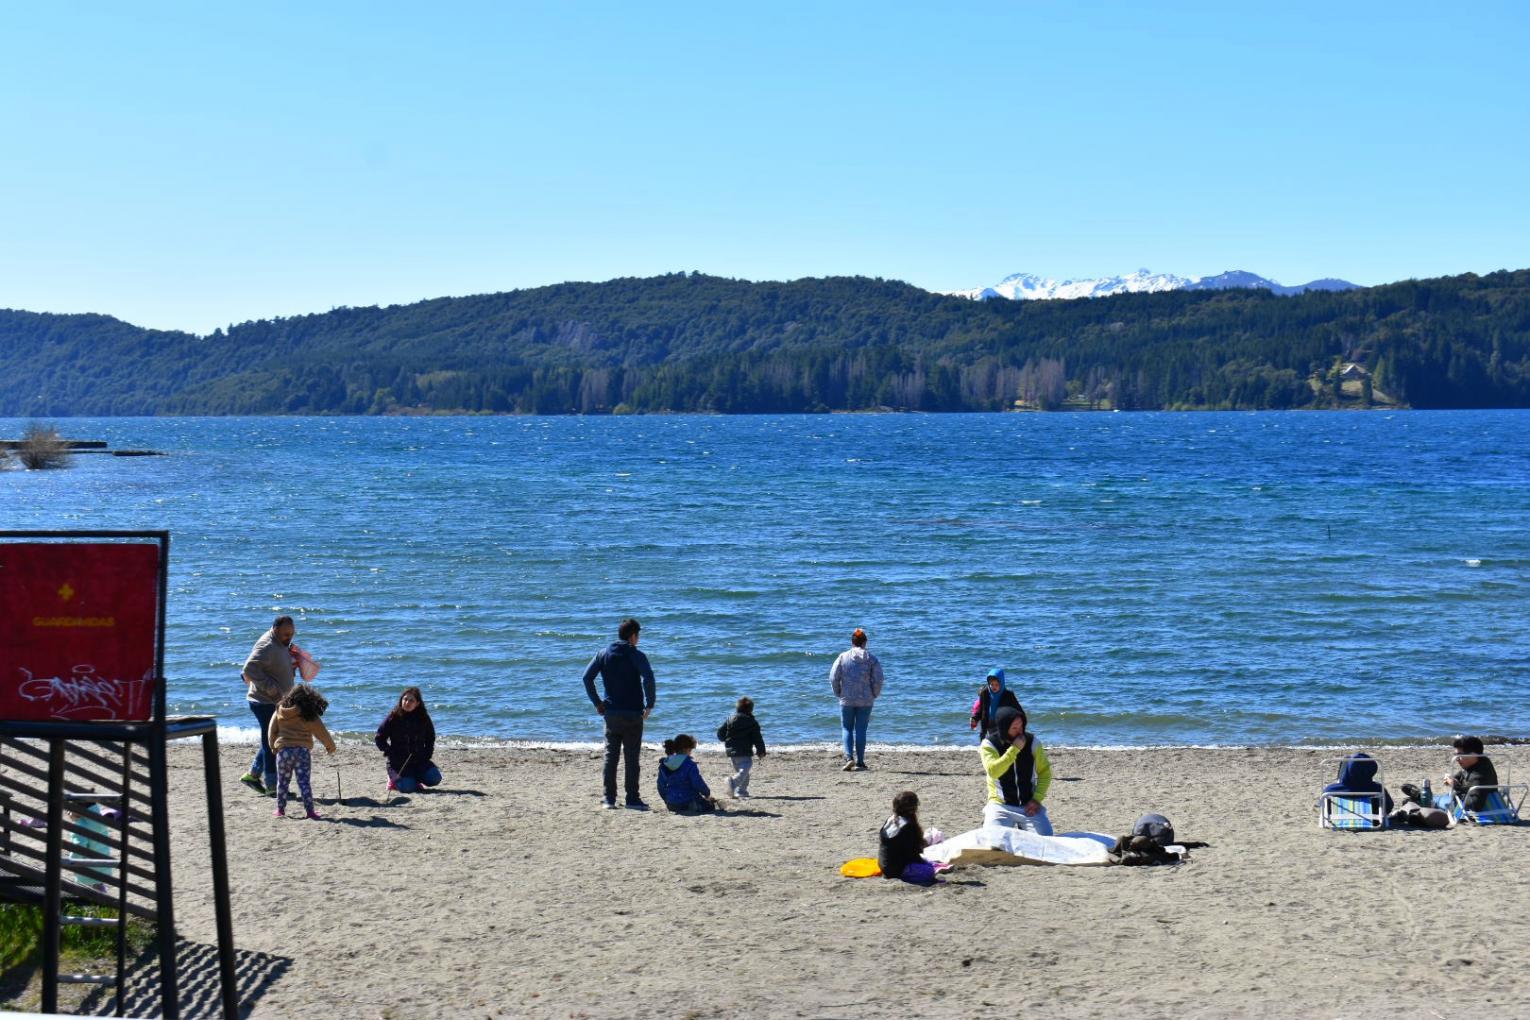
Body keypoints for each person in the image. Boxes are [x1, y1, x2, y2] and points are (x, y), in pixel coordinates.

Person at [582, 618, 657, 810]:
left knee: (611, 757)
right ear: (633, 636)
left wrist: (597, 703)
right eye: (638, 635)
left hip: (612, 713)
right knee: (632, 758)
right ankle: (632, 799)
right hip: (633, 713)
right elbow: (648, 678)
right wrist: (650, 704)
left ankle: (609, 799)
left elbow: (587, 678)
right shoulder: (637, 655)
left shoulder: (603, 654)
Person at [239, 615, 300, 795]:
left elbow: (272, 664)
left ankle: (252, 775)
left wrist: (292, 665)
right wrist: (272, 689)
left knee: (271, 740)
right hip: (263, 701)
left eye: (291, 634)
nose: (288, 637)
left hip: (275, 700)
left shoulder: (279, 643)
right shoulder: (267, 645)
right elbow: (248, 669)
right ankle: (273, 786)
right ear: (275, 629)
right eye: (285, 634)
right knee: (272, 741)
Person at [980, 705, 1054, 835]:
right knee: (992, 841)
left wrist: (1037, 799)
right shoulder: (989, 745)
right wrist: (1014, 749)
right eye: (1014, 728)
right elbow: (993, 771)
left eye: (1021, 726)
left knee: (1046, 838)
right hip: (1000, 805)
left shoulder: (1032, 742)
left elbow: (1045, 772)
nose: (1019, 732)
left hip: (1028, 805)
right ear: (1004, 728)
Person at [268, 684, 336, 819]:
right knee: (304, 782)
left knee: (282, 782)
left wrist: (272, 746)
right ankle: (310, 811)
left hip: (283, 752)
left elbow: (272, 730)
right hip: (302, 752)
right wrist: (330, 747)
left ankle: (280, 810)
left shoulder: (280, 710)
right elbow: (321, 732)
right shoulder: (308, 713)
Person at [829, 627, 883, 771]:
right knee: (861, 729)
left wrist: (838, 692)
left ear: (852, 642)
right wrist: (874, 694)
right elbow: (878, 679)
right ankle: (860, 762)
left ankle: (849, 758)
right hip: (866, 700)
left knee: (846, 727)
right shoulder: (872, 659)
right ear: (865, 642)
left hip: (847, 698)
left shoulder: (843, 657)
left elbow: (834, 677)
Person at [375, 686, 442, 793]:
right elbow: (379, 738)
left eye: (411, 700)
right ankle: (393, 780)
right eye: (405, 699)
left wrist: (428, 754)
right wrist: (390, 753)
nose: (407, 702)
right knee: (408, 788)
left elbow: (430, 737)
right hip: (399, 763)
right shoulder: (393, 717)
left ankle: (414, 779)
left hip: (419, 761)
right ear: (401, 700)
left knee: (435, 778)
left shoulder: (423, 717)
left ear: (417, 703)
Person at [877, 791, 947, 885]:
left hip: (883, 865)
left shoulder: (891, 819)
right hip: (897, 870)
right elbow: (912, 855)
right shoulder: (908, 826)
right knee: (929, 870)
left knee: (928, 864)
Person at [716, 696, 767, 799]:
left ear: (737, 708)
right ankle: (733, 782)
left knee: (743, 773)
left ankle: (742, 791)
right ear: (751, 709)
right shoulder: (752, 722)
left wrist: (724, 739)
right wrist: (761, 751)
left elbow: (720, 732)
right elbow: (757, 738)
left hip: (731, 752)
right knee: (745, 768)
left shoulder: (730, 719)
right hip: (744, 751)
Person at [656, 735, 716, 814]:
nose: (691, 752)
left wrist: (667, 799)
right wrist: (707, 792)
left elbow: (660, 785)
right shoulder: (690, 764)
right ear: (687, 749)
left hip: (671, 803)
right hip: (688, 801)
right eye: (691, 749)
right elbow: (697, 782)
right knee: (711, 805)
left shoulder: (665, 763)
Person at [1443, 734, 1499, 812]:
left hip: (1479, 809)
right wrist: (1452, 779)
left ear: (1473, 755)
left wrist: (1456, 787)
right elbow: (1463, 773)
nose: (1457, 759)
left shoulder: (1479, 775)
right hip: (1471, 793)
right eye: (1456, 755)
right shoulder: (1481, 761)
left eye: (1460, 755)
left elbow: (1475, 805)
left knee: (1435, 803)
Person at [969, 667, 1021, 739]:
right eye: (992, 684)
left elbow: (1018, 710)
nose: (994, 687)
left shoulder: (1008, 695)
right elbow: (981, 710)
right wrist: (975, 718)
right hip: (989, 723)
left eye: (996, 685)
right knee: (990, 743)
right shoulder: (985, 693)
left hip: (1003, 724)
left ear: (1001, 683)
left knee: (1002, 743)